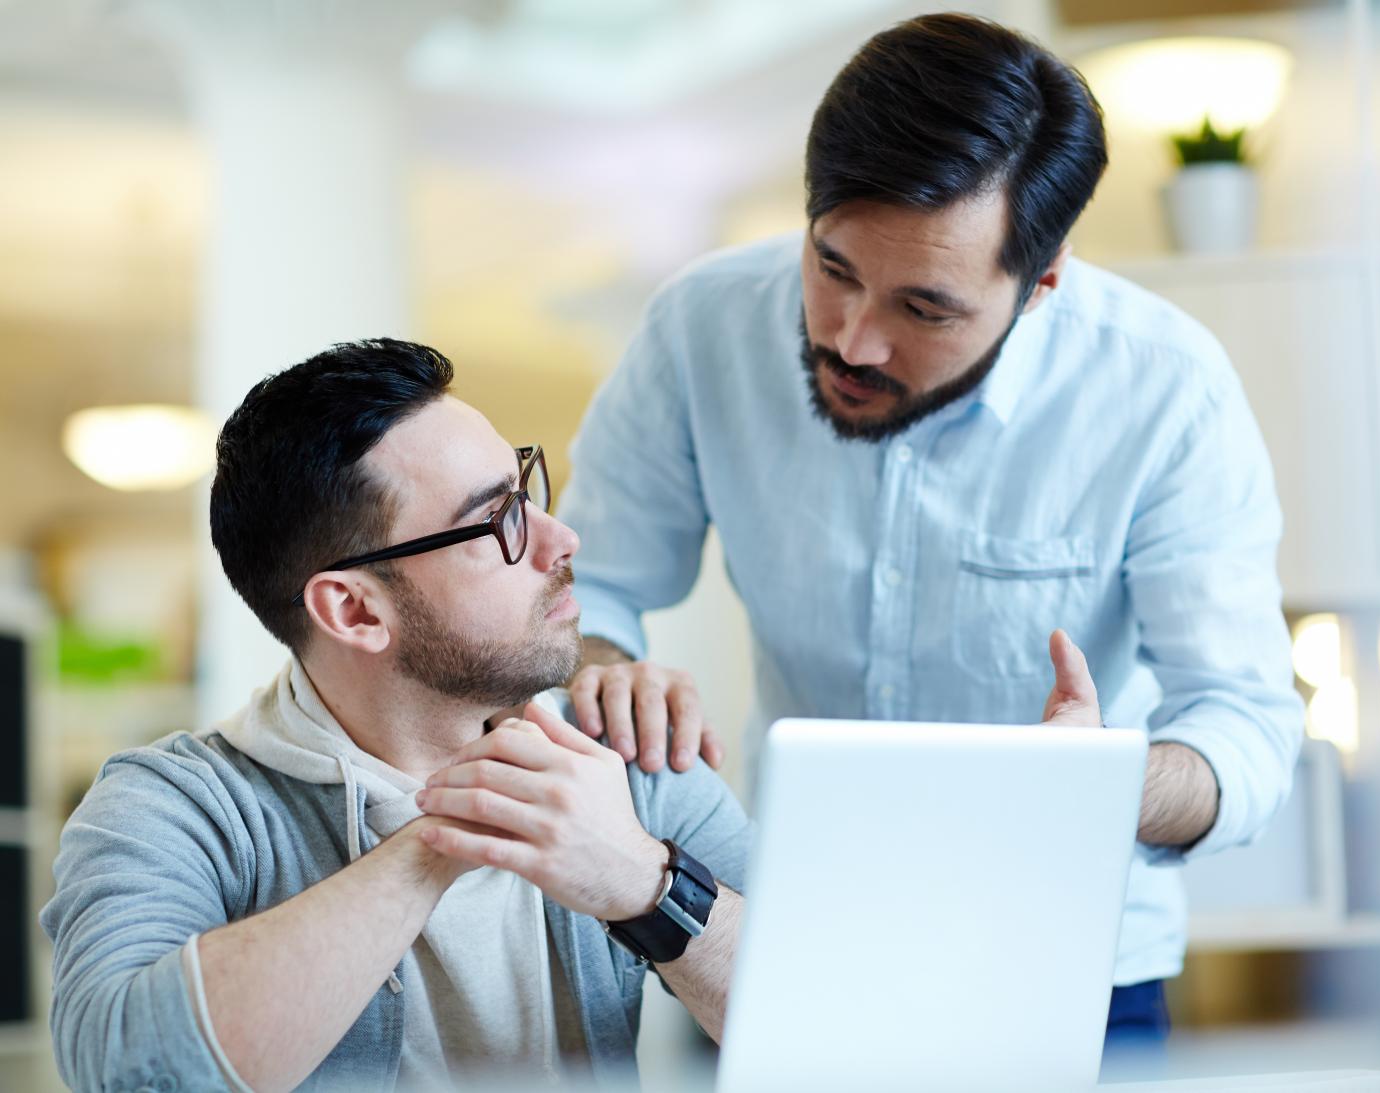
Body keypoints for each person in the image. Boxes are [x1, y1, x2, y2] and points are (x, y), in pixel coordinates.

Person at [556, 12, 1305, 1042]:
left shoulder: (1165, 392)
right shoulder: (700, 327)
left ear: (1040, 283)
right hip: (773, 939)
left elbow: (1248, 725)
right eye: (831, 268)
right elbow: (587, 588)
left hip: (1074, 968)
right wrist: (601, 665)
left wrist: (1100, 784)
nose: (852, 339)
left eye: (925, 308)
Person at [38, 340, 752, 1092]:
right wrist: (444, 837)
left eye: (526, 489)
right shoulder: (171, 805)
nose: (558, 539)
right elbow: (123, 1070)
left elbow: (842, 1018)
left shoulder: (623, 754)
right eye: (497, 521)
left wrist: (645, 882)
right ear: (353, 609)